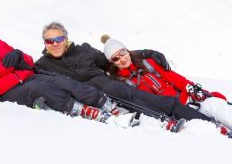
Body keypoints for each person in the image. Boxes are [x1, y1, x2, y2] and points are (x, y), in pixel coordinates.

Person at [0, 18, 134, 123]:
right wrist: (7, 65)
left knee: (63, 81)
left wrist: (18, 56)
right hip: (6, 90)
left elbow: (28, 61)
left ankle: (108, 105)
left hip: (27, 76)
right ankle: (85, 111)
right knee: (40, 89)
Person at [34, 21, 211, 124]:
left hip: (114, 89)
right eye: (49, 41)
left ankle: (210, 124)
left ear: (66, 39)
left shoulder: (85, 51)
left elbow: (114, 58)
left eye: (59, 39)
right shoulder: (42, 65)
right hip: (93, 101)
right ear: (45, 44)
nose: (55, 44)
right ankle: (163, 120)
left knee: (165, 102)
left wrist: (145, 53)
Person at [101, 34, 232, 129]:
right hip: (176, 113)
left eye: (122, 52)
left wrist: (192, 89)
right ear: (112, 63)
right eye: (116, 58)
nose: (122, 59)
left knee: (217, 106)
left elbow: (174, 78)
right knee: (207, 126)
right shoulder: (122, 83)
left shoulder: (148, 62)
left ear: (128, 51)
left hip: (188, 99)